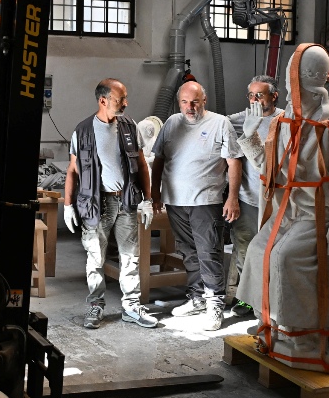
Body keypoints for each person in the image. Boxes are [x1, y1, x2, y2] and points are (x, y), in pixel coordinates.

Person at [237, 45, 329, 375]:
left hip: (320, 215)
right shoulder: (284, 123)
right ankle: (274, 324)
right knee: (257, 250)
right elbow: (273, 171)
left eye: (294, 84)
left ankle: (305, 336)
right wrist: (250, 138)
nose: (290, 92)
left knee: (285, 258)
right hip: (289, 211)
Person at [63, 79, 157, 330]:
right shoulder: (83, 131)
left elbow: (142, 164)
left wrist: (148, 200)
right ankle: (96, 305)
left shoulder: (130, 126)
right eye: (120, 99)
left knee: (130, 257)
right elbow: (72, 170)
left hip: (126, 201)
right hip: (96, 204)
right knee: (95, 257)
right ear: (103, 100)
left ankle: (131, 307)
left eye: (125, 98)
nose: (125, 103)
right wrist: (68, 205)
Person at [151, 81, 241, 331]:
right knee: (188, 252)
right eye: (184, 102)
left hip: (206, 201)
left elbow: (234, 162)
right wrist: (155, 193)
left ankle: (215, 305)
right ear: (179, 103)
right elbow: (159, 159)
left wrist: (232, 197)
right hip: (175, 201)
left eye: (195, 102)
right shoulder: (171, 123)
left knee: (208, 252)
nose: (189, 107)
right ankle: (197, 298)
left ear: (204, 101)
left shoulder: (220, 123)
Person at [226, 75, 284, 318]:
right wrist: (232, 197)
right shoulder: (238, 121)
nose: (254, 100)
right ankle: (248, 298)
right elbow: (231, 158)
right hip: (249, 197)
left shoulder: (285, 120)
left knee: (275, 250)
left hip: (278, 200)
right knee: (245, 249)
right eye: (251, 95)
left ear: (274, 96)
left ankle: (271, 298)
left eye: (259, 95)